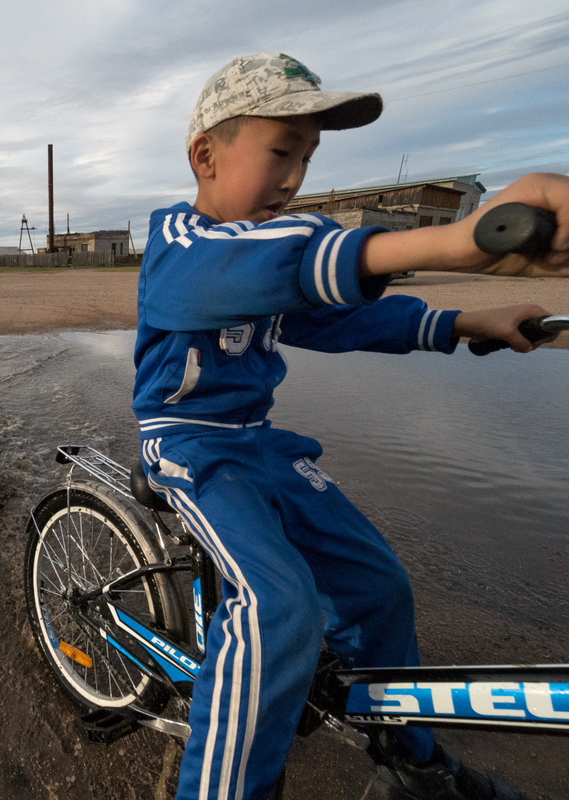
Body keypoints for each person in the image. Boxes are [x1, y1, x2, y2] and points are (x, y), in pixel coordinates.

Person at [133, 52, 569, 800]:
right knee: (277, 609)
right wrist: (463, 240)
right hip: (187, 443)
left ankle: (405, 759)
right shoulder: (181, 247)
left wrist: (464, 318)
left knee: (379, 585)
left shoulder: (271, 242)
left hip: (259, 441)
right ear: (205, 155)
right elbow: (270, 268)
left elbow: (336, 316)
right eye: (280, 151)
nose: (294, 178)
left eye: (306, 157)